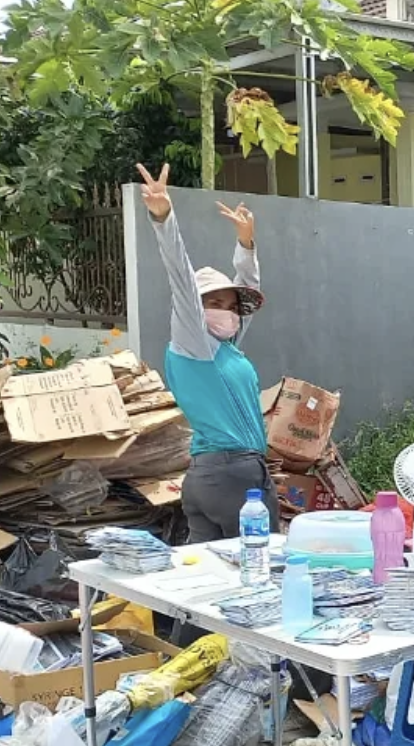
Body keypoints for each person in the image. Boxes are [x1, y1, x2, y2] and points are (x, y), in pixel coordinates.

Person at [138, 163, 279, 545]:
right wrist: (163, 217)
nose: (227, 310)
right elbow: (181, 279)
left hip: (205, 477)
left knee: (208, 582)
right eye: (214, 302)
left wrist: (246, 244)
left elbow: (247, 288)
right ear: (196, 310)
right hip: (235, 478)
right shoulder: (194, 344)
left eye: (232, 305)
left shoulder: (225, 350)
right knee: (260, 573)